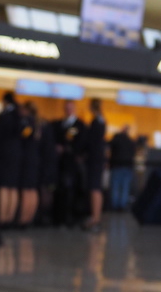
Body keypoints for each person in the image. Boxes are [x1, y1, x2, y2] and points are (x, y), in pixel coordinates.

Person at [52, 99, 87, 228]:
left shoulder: (79, 126)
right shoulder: (59, 124)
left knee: (71, 191)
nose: (68, 110)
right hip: (60, 164)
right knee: (60, 191)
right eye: (66, 108)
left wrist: (69, 150)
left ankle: (70, 217)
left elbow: (80, 144)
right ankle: (59, 217)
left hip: (72, 165)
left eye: (71, 108)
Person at [0, 91, 22, 227]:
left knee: (4, 186)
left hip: (5, 153)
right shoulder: (19, 114)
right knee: (13, 186)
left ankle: (3, 218)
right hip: (16, 154)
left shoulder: (4, 115)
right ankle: (11, 217)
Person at [17, 101, 42, 227]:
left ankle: (24, 218)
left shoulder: (28, 123)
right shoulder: (38, 123)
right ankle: (29, 217)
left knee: (27, 190)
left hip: (28, 159)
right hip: (35, 159)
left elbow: (23, 137)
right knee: (32, 189)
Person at [84, 97, 108, 230]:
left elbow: (91, 142)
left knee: (94, 188)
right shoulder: (102, 120)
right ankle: (96, 216)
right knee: (97, 188)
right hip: (99, 158)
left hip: (94, 159)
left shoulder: (96, 122)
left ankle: (95, 216)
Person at [108, 125, 136, 212]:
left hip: (117, 166)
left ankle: (114, 205)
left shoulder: (116, 139)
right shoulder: (130, 141)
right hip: (127, 167)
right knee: (125, 188)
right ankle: (122, 206)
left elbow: (109, 146)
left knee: (115, 187)